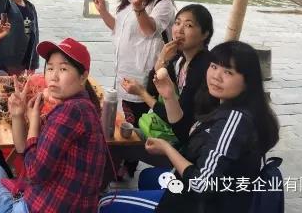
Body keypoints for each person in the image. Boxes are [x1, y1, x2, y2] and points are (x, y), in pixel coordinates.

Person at [99, 41, 280, 213]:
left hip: (204, 205)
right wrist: (169, 96)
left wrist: (168, 149)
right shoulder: (221, 103)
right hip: (201, 191)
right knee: (148, 177)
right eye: (214, 66)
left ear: (248, 81)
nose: (216, 76)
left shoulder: (235, 120)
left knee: (106, 203)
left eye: (228, 72)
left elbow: (202, 184)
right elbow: (187, 135)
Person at [0, 38, 106, 213]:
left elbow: (34, 172)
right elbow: (23, 148)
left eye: (63, 69)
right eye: (50, 68)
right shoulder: (80, 106)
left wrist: (34, 122)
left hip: (36, 208)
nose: (54, 76)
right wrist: (18, 115)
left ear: (83, 76)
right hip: (49, 201)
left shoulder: (72, 111)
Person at [93, 0, 175, 176]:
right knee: (123, 119)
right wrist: (103, 11)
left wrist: (139, 7)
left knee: (140, 120)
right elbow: (118, 29)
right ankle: (123, 159)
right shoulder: (127, 1)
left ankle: (131, 162)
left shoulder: (162, 3)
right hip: (123, 71)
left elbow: (150, 30)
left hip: (144, 75)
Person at [121, 4, 217, 143]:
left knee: (120, 141)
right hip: (169, 132)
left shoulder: (203, 67)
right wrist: (161, 60)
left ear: (205, 34)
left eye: (188, 25)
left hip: (186, 141)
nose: (179, 30)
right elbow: (154, 90)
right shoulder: (179, 59)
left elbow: (175, 118)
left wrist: (141, 93)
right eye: (177, 23)